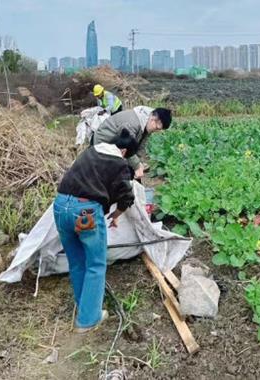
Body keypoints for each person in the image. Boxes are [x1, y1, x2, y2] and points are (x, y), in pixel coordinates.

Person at [54, 129, 138, 333]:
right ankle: (89, 320)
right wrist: (116, 215)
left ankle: (84, 305)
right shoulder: (119, 163)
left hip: (60, 206)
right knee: (96, 265)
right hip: (84, 212)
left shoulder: (90, 152)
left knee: (77, 262)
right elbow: (126, 195)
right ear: (124, 151)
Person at [93, 106, 172, 179]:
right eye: (157, 128)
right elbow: (127, 147)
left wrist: (139, 162)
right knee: (115, 172)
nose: (156, 131)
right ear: (153, 119)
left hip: (118, 143)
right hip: (104, 142)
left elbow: (141, 145)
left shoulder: (147, 122)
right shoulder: (132, 124)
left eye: (159, 130)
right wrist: (137, 166)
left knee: (130, 169)